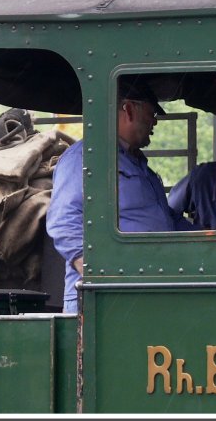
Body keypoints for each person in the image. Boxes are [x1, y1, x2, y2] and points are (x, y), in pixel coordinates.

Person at [46, 76, 198, 313]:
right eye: (151, 114)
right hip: (107, 299)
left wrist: (211, 239)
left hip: (143, 291)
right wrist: (100, 279)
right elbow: (64, 222)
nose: (154, 123)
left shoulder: (140, 166)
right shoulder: (85, 157)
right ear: (128, 109)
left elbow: (168, 220)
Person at [168, 161, 216, 230]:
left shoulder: (203, 172)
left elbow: (170, 208)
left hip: (204, 238)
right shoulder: (203, 173)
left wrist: (196, 230)